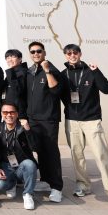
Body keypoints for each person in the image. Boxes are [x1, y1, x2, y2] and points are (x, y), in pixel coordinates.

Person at [61, 44, 108, 208]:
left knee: (102, 155)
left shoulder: (91, 71)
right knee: (77, 155)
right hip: (72, 120)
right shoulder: (63, 74)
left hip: (91, 120)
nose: (72, 55)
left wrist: (97, 72)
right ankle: (83, 185)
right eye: (69, 53)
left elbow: (107, 89)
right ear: (65, 56)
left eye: (75, 52)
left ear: (80, 54)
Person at [24, 41, 66, 203]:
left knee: (51, 152)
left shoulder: (52, 69)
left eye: (39, 51)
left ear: (44, 52)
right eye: (33, 51)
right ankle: (46, 181)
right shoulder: (30, 72)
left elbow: (56, 91)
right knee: (40, 151)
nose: (36, 54)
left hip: (48, 119)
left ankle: (56, 187)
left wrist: (47, 70)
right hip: (33, 119)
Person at [0, 101, 37, 210]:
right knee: (0, 185)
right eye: (5, 112)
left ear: (17, 114)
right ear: (1, 114)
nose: (9, 115)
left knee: (30, 164)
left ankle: (28, 194)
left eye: (12, 112)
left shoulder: (23, 128)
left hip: (22, 165)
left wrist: (27, 130)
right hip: (6, 166)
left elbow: (35, 147)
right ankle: (12, 184)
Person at [3, 49, 28, 115]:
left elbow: (17, 90)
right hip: (10, 109)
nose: (10, 59)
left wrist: (10, 71)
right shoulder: (12, 71)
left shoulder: (23, 72)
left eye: (13, 57)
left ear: (20, 59)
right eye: (8, 58)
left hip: (19, 110)